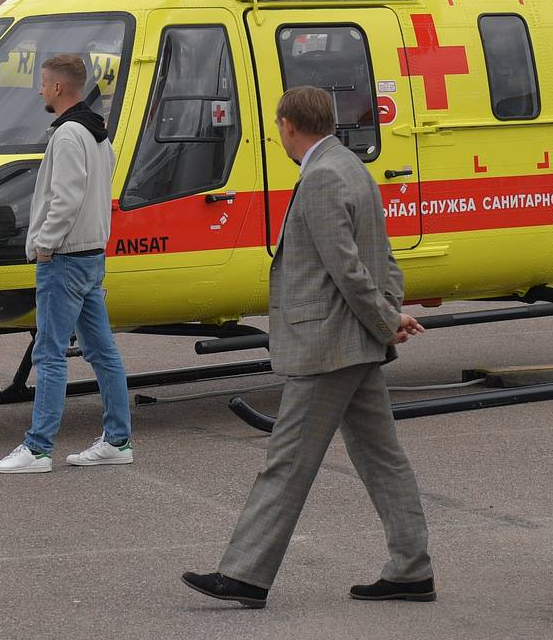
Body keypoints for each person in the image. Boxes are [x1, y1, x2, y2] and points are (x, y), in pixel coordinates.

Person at [182, 85, 433, 608]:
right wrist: (389, 312)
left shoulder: (320, 177)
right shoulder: (351, 166)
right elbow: (380, 257)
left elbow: (346, 269)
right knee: (383, 459)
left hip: (328, 344)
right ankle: (411, 569)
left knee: (287, 460)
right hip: (355, 342)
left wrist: (387, 320)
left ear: (289, 125)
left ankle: (246, 574)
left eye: (278, 126)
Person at [0, 53, 133, 474]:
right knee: (102, 351)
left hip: (65, 259)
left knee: (48, 354)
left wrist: (45, 243)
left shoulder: (67, 135)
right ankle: (118, 440)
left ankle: (37, 449)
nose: (39, 90)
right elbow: (102, 180)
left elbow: (65, 198)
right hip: (91, 255)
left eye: (42, 83)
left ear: (57, 88)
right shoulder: (97, 133)